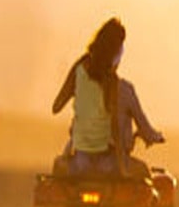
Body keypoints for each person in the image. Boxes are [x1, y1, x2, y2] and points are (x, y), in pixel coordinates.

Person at [51, 17, 154, 178]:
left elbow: (56, 107)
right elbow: (113, 125)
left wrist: (78, 93)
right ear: (117, 51)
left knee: (58, 166)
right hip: (107, 164)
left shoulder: (78, 67)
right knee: (145, 174)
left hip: (80, 162)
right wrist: (123, 169)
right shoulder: (112, 81)